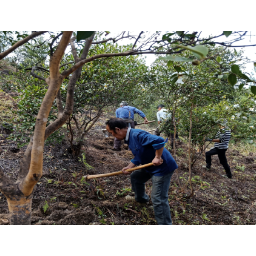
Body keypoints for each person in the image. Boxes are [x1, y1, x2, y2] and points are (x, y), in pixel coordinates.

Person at [106, 118, 178, 225]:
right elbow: (140, 154)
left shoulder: (137, 134)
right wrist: (129, 166)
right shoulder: (129, 138)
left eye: (112, 133)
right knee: (136, 177)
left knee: (158, 198)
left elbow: (159, 140)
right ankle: (142, 199)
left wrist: (158, 157)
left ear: (118, 129)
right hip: (149, 166)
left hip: (162, 168)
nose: (112, 136)